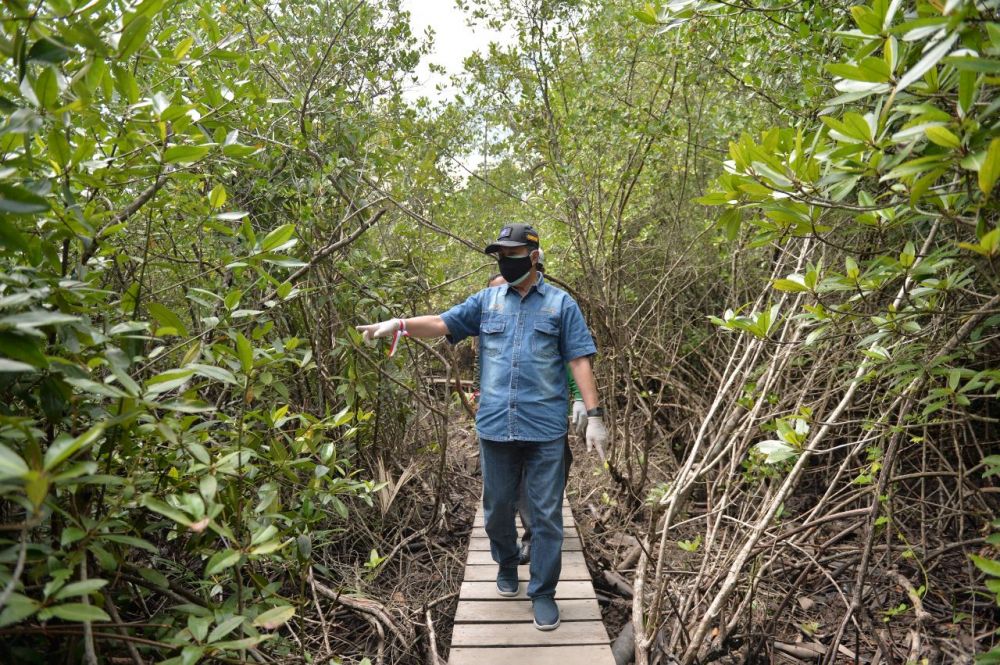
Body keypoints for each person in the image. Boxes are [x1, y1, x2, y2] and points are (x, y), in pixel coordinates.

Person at [356, 223, 609, 631]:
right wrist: (400, 324)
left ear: (534, 257)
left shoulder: (561, 305)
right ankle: (507, 564)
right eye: (500, 256)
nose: (505, 262)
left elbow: (579, 358)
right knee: (496, 512)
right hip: (495, 427)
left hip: (544, 429)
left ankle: (543, 593)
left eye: (513, 255)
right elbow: (441, 323)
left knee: (546, 518)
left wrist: (593, 414)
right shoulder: (486, 302)